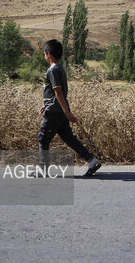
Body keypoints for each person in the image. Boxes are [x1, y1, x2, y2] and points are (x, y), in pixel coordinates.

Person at [35, 39, 101, 177]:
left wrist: (67, 112)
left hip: (55, 111)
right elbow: (55, 93)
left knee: (43, 138)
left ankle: (42, 169)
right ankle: (91, 160)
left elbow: (58, 92)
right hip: (58, 109)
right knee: (68, 137)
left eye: (44, 54)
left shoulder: (52, 70)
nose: (44, 56)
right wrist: (47, 105)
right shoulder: (59, 68)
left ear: (48, 54)